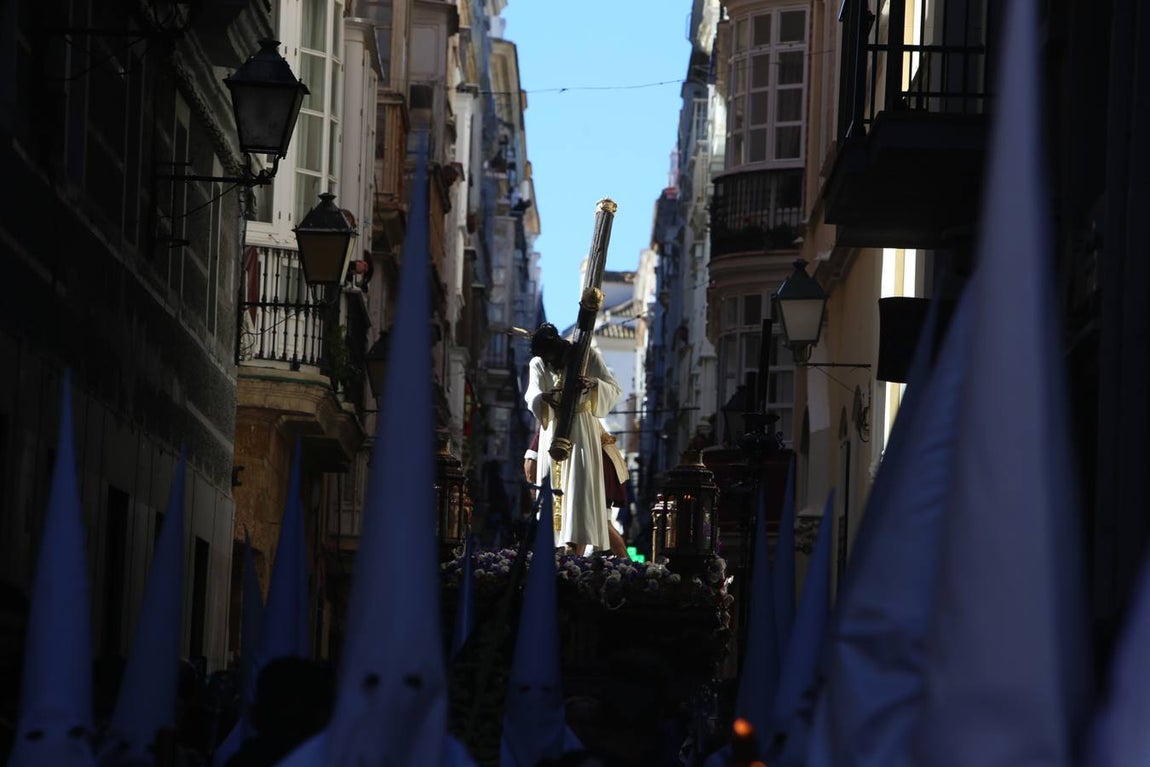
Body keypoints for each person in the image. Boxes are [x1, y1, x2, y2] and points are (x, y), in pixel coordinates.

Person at [524, 323, 622, 555]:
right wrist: (544, 398)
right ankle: (556, 547)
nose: (548, 361)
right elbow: (532, 394)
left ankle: (575, 547)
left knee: (579, 487)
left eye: (550, 355)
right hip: (553, 431)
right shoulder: (538, 363)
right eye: (543, 357)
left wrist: (593, 384)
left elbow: (614, 388)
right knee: (554, 489)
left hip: (582, 429)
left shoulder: (586, 356)